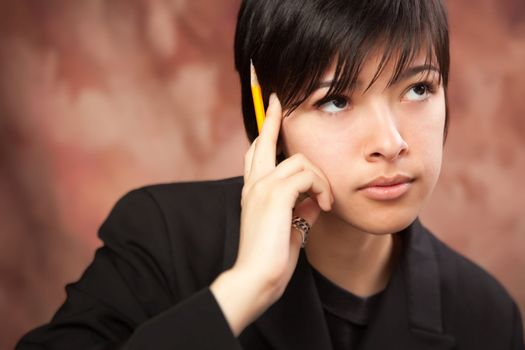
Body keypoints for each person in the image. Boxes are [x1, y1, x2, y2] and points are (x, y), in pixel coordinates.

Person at [16, 0, 524, 349]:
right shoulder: (160, 237)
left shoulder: (486, 315)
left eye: (418, 89)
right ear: (267, 118)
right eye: (336, 100)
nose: (392, 143)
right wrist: (245, 289)